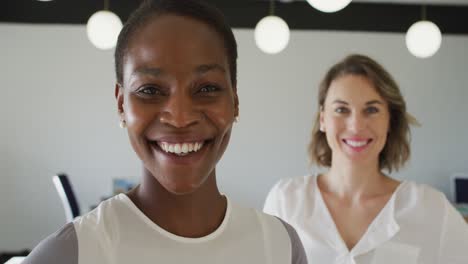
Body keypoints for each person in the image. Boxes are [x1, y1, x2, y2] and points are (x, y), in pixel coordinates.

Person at [23, 0, 307, 263]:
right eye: (150, 90)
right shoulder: (73, 252)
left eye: (207, 88)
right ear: (122, 105)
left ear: (235, 101)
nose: (180, 118)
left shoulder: (280, 246)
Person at [264, 54, 468, 264]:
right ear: (323, 119)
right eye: (341, 109)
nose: (356, 126)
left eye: (371, 110)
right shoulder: (285, 200)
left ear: (390, 120)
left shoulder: (431, 207)